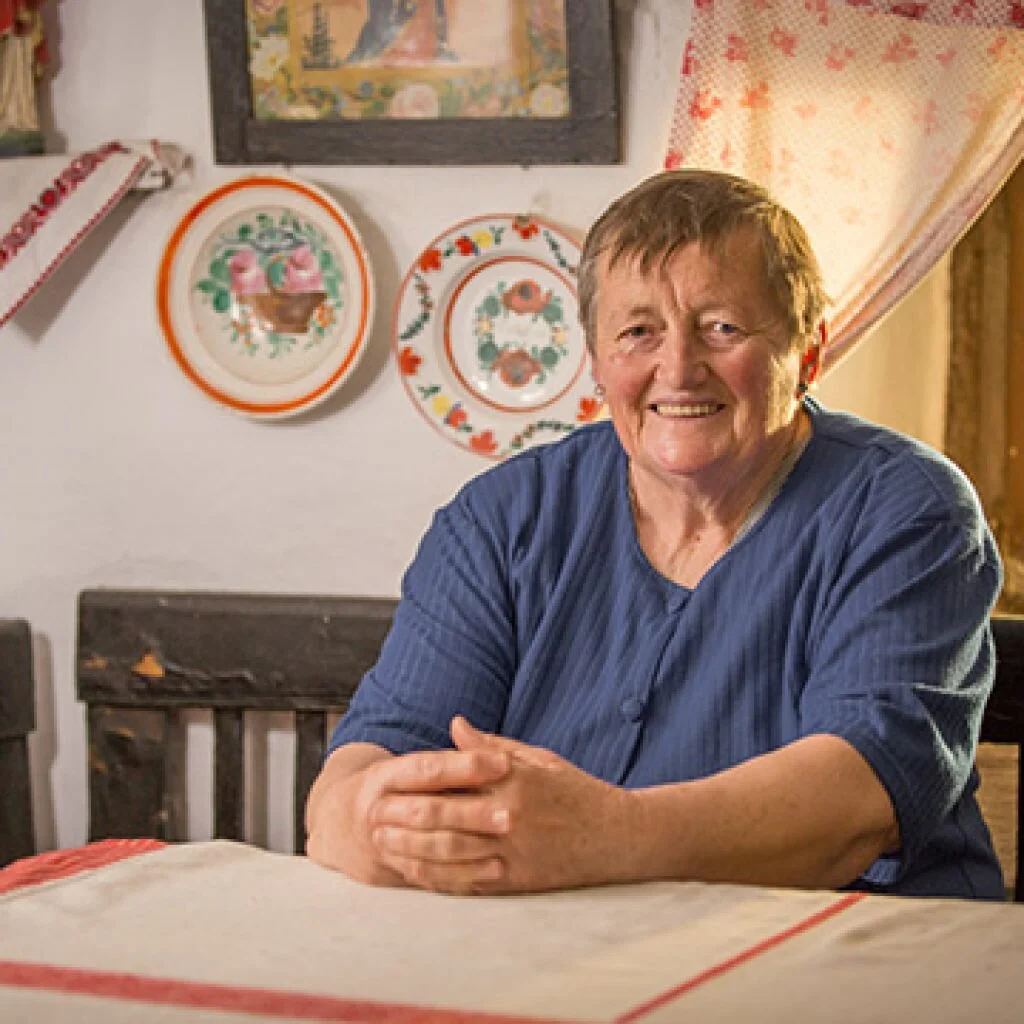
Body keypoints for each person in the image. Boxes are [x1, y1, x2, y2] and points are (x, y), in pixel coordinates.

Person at [306, 170, 1004, 900]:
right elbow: (365, 771)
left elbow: (861, 802)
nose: (678, 369)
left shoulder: (907, 509)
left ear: (808, 350)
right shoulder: (503, 519)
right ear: (596, 360)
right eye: (639, 332)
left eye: (721, 328)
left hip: (858, 946)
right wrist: (365, 822)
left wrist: (600, 837)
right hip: (571, 945)